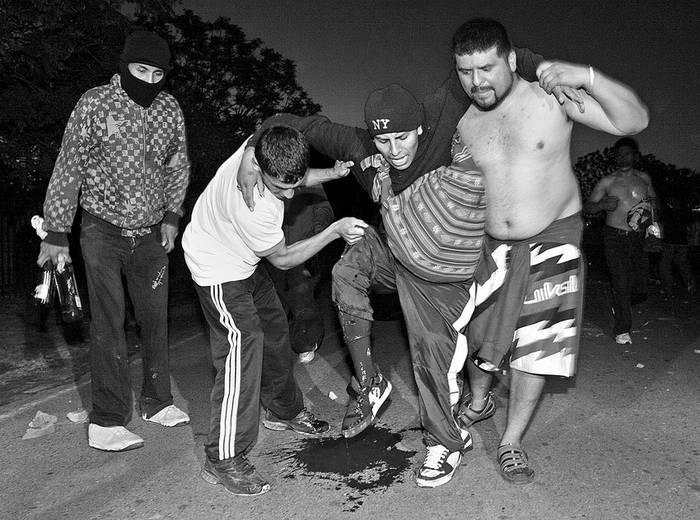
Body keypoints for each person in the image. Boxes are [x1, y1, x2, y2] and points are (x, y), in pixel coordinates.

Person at [238, 50, 584, 487]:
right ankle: (370, 382)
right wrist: (254, 150)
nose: (394, 151)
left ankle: (445, 442)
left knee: (429, 348)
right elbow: (298, 122)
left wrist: (547, 73)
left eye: (403, 139)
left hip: (448, 263)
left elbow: (493, 62)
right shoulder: (359, 145)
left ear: (420, 127)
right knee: (347, 270)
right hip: (397, 249)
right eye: (384, 142)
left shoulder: (439, 113)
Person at [450, 18, 649, 485]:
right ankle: (478, 404)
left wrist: (590, 77)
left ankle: (511, 441)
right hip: (490, 246)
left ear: (512, 60)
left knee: (538, 346)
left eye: (486, 68)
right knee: (480, 338)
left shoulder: (551, 97)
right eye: (465, 71)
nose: (476, 82)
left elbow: (633, 120)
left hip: (553, 238)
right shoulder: (462, 124)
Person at [181, 126, 367, 496]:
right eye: (279, 188)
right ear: (261, 167)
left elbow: (289, 171)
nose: (288, 195)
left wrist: (332, 172)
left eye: (293, 185)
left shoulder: (260, 151)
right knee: (243, 344)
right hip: (217, 268)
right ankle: (223, 455)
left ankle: (283, 411)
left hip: (245, 262)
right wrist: (332, 231)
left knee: (277, 330)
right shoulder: (254, 207)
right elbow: (283, 259)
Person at [37, 30, 191, 452]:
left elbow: (178, 165)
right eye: (141, 70)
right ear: (124, 67)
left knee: (155, 319)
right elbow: (70, 164)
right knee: (109, 323)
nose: (150, 80)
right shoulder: (95, 102)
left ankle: (157, 402)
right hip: (100, 229)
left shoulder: (168, 108)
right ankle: (106, 421)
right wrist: (55, 230)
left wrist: (173, 216)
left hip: (149, 234)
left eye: (158, 73)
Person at [585, 137, 656, 344]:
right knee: (621, 281)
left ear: (635, 156)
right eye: (618, 153)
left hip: (638, 237)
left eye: (626, 153)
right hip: (614, 236)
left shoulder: (644, 179)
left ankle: (620, 302)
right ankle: (622, 330)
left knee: (641, 286)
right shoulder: (608, 182)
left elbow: (654, 201)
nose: (622, 156)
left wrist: (652, 217)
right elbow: (588, 206)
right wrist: (601, 206)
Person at [265, 184, 335, 364]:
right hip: (272, 250)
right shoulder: (262, 176)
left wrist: (317, 236)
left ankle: (306, 342)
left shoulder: (307, 176)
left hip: (303, 248)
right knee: (275, 300)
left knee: (302, 295)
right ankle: (277, 347)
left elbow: (323, 207)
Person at [658, 196, 697, 295]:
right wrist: (691, 237)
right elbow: (692, 226)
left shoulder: (667, 211)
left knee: (665, 264)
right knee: (683, 263)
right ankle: (691, 285)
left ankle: (668, 287)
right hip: (681, 241)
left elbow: (661, 224)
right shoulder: (684, 211)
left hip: (669, 241)